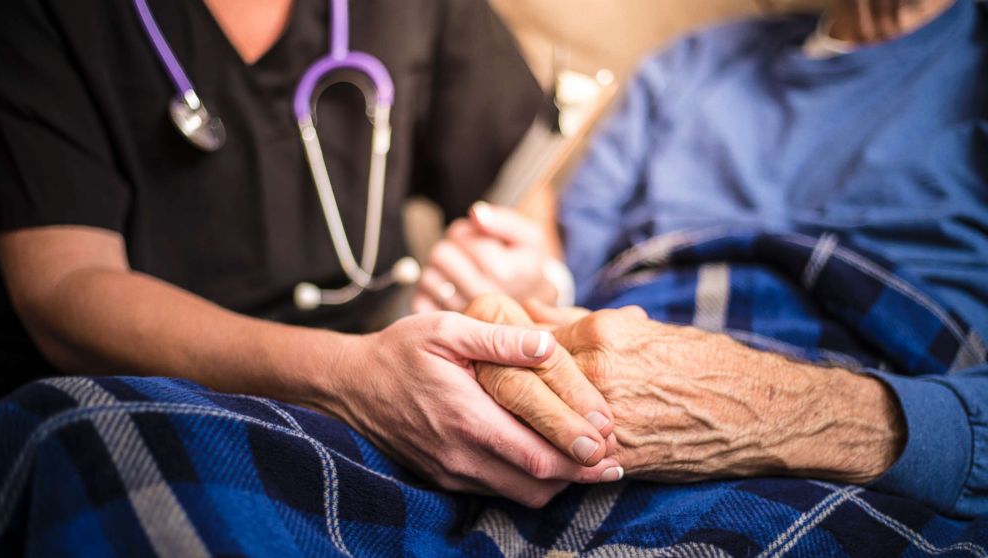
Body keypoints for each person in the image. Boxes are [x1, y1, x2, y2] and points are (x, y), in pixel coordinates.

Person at [0, 0, 625, 508]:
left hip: (403, 388)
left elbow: (521, 190)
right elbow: (63, 284)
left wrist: (523, 269)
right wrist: (350, 379)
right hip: (158, 401)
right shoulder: (42, 20)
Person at [418, 0, 988, 517]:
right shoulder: (687, 66)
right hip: (624, 366)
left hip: (878, 396)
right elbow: (573, 275)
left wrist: (783, 414)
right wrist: (531, 280)